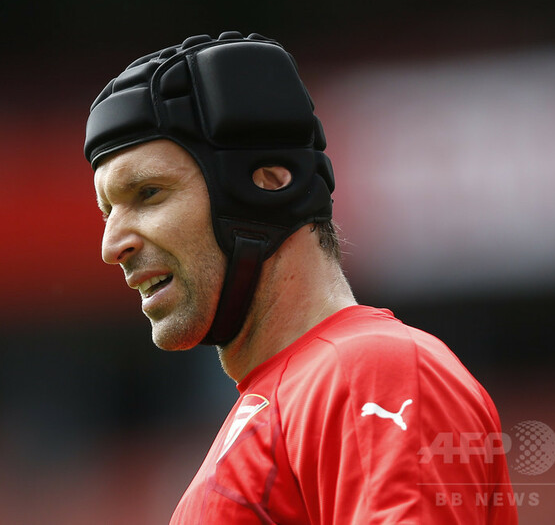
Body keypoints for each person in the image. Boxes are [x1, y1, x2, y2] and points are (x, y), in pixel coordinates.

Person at [84, 32, 518, 524]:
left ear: (267, 183)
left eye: (148, 193)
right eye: (107, 212)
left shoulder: (369, 371)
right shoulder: (281, 399)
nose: (111, 246)